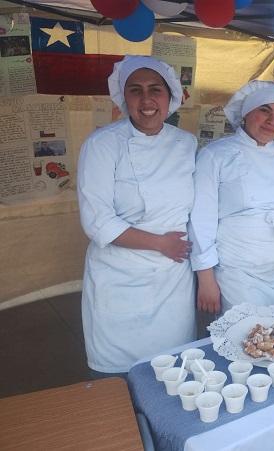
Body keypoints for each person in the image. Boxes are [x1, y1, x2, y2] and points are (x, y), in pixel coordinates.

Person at [77, 56, 197, 374]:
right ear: (123, 97)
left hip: (172, 280)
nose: (146, 100)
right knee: (117, 377)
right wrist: (160, 243)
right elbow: (97, 220)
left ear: (170, 95)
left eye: (155, 89)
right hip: (119, 277)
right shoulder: (101, 144)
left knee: (173, 370)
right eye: (136, 90)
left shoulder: (187, 144)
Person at [190, 80, 274, 315]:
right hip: (237, 274)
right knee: (242, 339)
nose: (272, 121)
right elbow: (201, 219)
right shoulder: (215, 155)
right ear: (246, 113)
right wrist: (206, 277)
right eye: (264, 110)